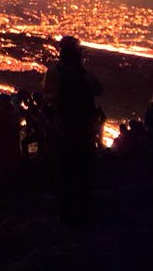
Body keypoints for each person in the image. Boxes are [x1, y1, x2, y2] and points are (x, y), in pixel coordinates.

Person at [42, 36, 103, 227]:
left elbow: (48, 96)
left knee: (63, 172)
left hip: (62, 130)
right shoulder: (84, 74)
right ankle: (83, 213)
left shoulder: (54, 73)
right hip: (84, 132)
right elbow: (99, 89)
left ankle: (64, 215)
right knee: (84, 173)